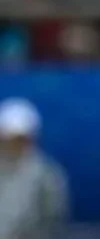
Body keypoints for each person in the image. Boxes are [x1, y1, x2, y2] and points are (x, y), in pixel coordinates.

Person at [0, 98, 69, 239]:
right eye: (11, 139)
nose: (15, 145)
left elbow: (52, 218)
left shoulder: (46, 175)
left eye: (20, 139)